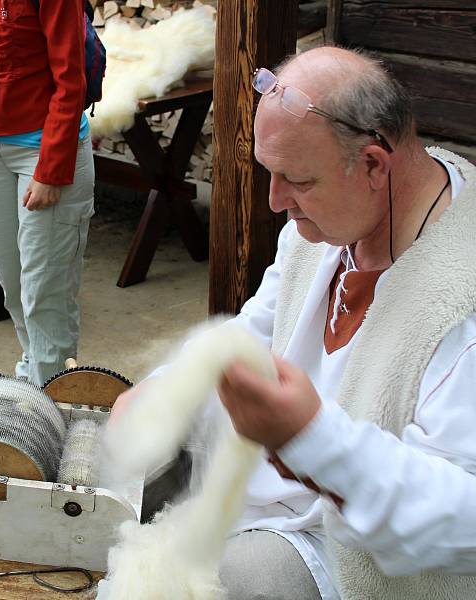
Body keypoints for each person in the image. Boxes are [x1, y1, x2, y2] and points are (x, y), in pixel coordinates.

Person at [117, 46, 476, 600]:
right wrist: (166, 388)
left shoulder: (462, 297)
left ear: (375, 165)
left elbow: (462, 518)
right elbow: (258, 328)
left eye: (297, 180)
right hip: (281, 510)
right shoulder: (326, 228)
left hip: (365, 568)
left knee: (225, 584)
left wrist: (312, 439)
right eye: (270, 173)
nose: (275, 200)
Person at [0, 0, 95, 385]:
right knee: (13, 283)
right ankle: (38, 377)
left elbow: (70, 77)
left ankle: (51, 403)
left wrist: (53, 167)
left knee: (46, 289)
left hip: (43, 151)